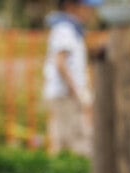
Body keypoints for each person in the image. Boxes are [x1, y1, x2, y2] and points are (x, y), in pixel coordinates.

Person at [42, 0, 99, 157]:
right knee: (71, 140)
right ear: (71, 6)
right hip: (65, 95)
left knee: (70, 139)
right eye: (87, 8)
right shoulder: (65, 29)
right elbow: (60, 62)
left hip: (69, 94)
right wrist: (77, 93)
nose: (90, 12)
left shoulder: (74, 30)